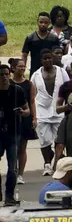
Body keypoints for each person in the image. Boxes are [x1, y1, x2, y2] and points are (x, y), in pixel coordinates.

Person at [0, 63, 30, 206]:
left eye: (7, 74)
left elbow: (27, 110)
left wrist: (22, 113)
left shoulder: (17, 90)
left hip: (13, 133)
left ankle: (9, 196)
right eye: (2, 75)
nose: (5, 77)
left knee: (12, 167)